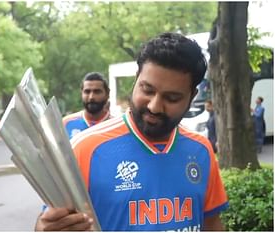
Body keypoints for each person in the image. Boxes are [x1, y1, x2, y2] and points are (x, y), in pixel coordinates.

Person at [35, 32, 228, 231]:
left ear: (192, 96)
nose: (154, 106)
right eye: (147, 90)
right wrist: (44, 227)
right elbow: (50, 224)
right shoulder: (85, 149)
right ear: (136, 79)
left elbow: (212, 223)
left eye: (172, 98)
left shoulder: (201, 149)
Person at [62, 72, 111, 139]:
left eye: (97, 92)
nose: (91, 97)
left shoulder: (117, 125)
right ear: (81, 93)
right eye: (87, 92)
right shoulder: (66, 124)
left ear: (107, 94)